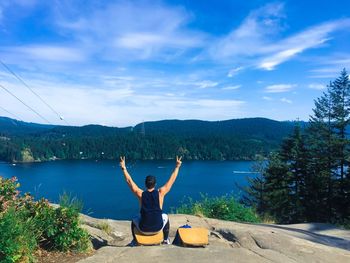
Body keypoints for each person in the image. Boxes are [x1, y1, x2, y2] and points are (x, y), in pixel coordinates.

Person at [119, 156, 182, 245]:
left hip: (143, 229)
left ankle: (134, 241)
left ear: (145, 184)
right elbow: (171, 181)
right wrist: (177, 167)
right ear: (155, 184)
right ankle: (165, 240)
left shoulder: (141, 194)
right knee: (165, 216)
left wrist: (123, 168)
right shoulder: (160, 193)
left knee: (134, 219)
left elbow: (129, 181)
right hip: (158, 228)